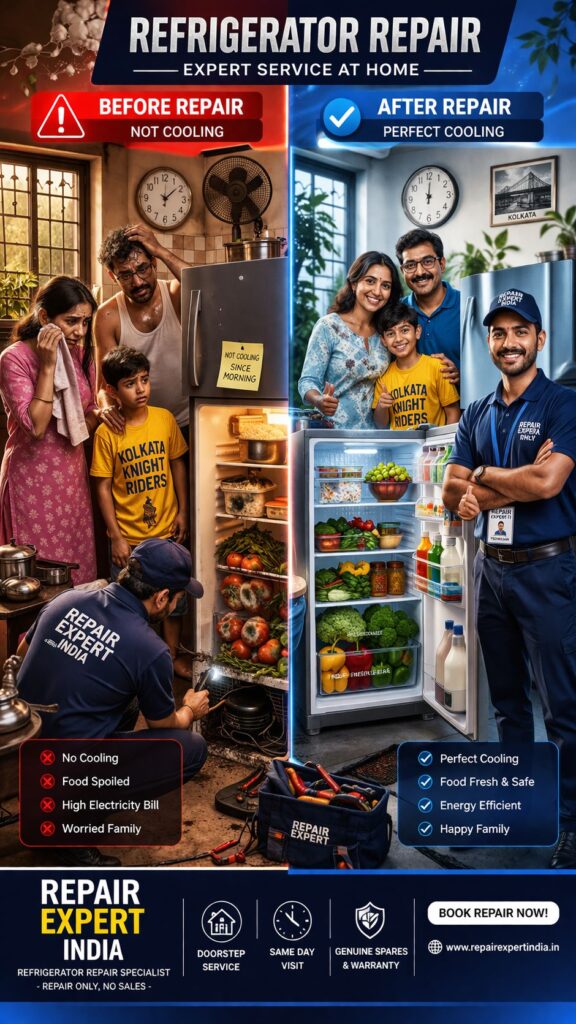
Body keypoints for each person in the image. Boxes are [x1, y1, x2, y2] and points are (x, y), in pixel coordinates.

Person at [442, 289, 576, 869]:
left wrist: (484, 476)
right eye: (498, 332)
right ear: (489, 341)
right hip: (489, 570)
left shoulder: (563, 405)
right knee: (507, 704)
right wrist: (506, 479)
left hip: (548, 569)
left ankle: (568, 821)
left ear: (539, 340)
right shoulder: (476, 411)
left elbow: (548, 485)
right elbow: (450, 488)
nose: (508, 342)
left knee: (564, 707)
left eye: (520, 331)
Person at [17, 537, 210, 867]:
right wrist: (190, 709)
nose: (175, 605)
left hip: (17, 748)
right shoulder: (151, 650)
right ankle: (69, 831)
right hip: (60, 770)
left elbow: (18, 659)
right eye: (177, 599)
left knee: (129, 703)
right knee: (190, 748)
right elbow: (162, 725)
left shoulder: (69, 599)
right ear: (162, 597)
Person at [91, 346, 192, 680]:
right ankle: (135, 666)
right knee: (131, 606)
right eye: (131, 383)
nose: (141, 389)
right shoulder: (108, 433)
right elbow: (103, 487)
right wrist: (116, 537)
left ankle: (172, 657)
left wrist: (182, 511)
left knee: (174, 602)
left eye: (145, 380)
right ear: (112, 391)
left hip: (165, 534)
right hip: (130, 543)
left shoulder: (164, 420)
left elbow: (178, 464)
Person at [0, 276, 98, 584]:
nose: (80, 332)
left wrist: (102, 415)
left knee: (75, 569)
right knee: (37, 575)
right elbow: (36, 426)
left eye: (85, 322)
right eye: (71, 321)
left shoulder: (82, 356)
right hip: (31, 481)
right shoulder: (14, 358)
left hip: (72, 480)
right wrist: (47, 365)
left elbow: (85, 417)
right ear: (44, 317)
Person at [94, 224, 190, 434]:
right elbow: (103, 386)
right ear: (113, 276)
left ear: (154, 262)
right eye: (126, 275)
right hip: (142, 429)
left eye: (142, 268)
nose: (137, 282)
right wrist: (107, 407)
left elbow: (205, 286)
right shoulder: (107, 316)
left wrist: (161, 249)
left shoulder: (175, 293)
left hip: (189, 420)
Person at [297, 251, 402, 429]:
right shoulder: (329, 327)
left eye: (385, 285)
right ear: (354, 283)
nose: (377, 291)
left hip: (376, 439)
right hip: (331, 435)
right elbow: (307, 381)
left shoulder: (387, 333)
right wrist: (318, 400)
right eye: (370, 281)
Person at [373, 304, 460, 430]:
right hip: (401, 448)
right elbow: (380, 424)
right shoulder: (384, 377)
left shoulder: (437, 367)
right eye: (391, 334)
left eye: (404, 330)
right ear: (383, 340)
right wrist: (382, 406)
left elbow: (453, 412)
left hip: (433, 447)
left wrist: (447, 445)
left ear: (417, 332)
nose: (398, 339)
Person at [396, 228, 460, 377]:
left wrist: (462, 376)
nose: (419, 272)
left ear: (442, 264)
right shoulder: (395, 312)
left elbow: (488, 365)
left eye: (427, 261)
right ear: (402, 271)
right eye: (410, 265)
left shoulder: (468, 307)